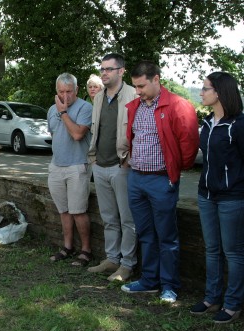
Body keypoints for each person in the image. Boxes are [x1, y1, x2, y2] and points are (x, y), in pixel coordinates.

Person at [121, 61, 199, 303]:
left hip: (161, 179)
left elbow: (189, 145)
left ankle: (169, 286)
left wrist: (173, 170)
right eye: (135, 86)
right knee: (145, 233)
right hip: (136, 179)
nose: (138, 91)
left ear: (156, 79)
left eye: (142, 85)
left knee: (167, 236)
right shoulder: (135, 106)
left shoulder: (177, 105)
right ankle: (149, 281)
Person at [190, 72, 244, 323]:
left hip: (232, 198)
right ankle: (212, 298)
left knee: (233, 252)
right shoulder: (209, 122)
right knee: (212, 249)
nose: (201, 92)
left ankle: (233, 304)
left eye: (205, 88)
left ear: (220, 92)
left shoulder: (239, 125)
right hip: (206, 195)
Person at [87, 54, 138, 281]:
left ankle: (127, 265)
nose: (104, 73)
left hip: (121, 165)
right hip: (100, 164)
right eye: (102, 69)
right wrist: (94, 159)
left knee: (127, 219)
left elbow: (140, 131)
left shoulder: (132, 95)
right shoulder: (98, 98)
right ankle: (112, 259)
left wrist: (128, 159)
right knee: (109, 217)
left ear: (121, 71)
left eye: (109, 69)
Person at [48, 73, 93, 266]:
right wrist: (58, 111)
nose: (64, 96)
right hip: (56, 165)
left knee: (78, 211)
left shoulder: (85, 107)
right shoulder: (51, 110)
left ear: (76, 90)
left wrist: (64, 112)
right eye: (60, 92)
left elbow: (76, 134)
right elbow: (54, 133)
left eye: (68, 91)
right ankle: (67, 247)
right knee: (64, 210)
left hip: (77, 166)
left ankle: (86, 250)